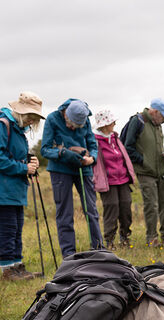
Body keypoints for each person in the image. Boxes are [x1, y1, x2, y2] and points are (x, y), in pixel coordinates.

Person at [0, 91, 45, 281]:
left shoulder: (17, 129)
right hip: (1, 188)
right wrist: (23, 168)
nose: (32, 121)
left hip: (15, 188)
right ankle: (7, 271)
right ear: (20, 112)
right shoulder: (2, 125)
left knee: (16, 228)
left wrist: (30, 163)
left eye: (34, 117)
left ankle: (18, 267)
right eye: (30, 116)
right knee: (9, 228)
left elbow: (13, 155)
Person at [40, 99, 101, 257]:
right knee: (65, 213)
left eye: (76, 126)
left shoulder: (86, 119)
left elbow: (92, 145)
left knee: (91, 209)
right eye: (71, 124)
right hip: (60, 170)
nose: (72, 128)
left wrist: (92, 159)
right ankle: (69, 255)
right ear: (66, 114)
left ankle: (99, 250)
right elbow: (45, 150)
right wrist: (62, 153)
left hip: (84, 169)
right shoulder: (52, 119)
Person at [121, 98, 164, 247]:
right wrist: (144, 161)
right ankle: (151, 238)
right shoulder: (138, 121)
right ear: (154, 112)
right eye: (163, 116)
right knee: (151, 206)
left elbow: (156, 145)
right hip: (145, 172)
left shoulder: (158, 124)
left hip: (160, 170)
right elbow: (127, 147)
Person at [92, 109, 137, 249]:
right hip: (107, 181)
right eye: (112, 122)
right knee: (111, 208)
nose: (115, 124)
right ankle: (109, 240)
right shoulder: (95, 141)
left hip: (123, 179)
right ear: (105, 125)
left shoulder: (115, 138)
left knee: (126, 207)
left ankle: (125, 237)